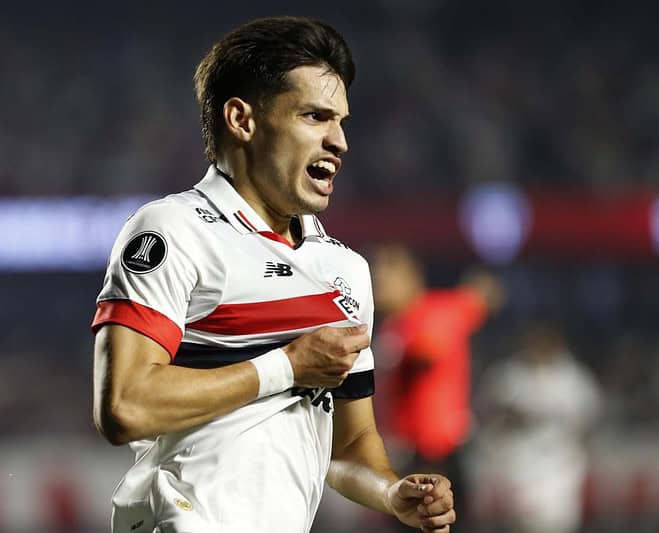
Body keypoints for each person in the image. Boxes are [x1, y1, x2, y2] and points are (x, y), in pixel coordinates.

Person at [91, 16, 455, 533]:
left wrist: (391, 492)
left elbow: (349, 445)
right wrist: (287, 365)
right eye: (315, 116)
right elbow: (124, 406)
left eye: (341, 122)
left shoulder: (345, 271)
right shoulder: (174, 230)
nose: (339, 141)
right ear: (242, 119)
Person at [370, 244, 504, 528]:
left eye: (388, 273)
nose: (379, 282)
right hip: (402, 455)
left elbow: (483, 294)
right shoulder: (393, 325)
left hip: (436, 457)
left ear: (412, 276)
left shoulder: (437, 312)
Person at [468, 321, 602, 533]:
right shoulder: (507, 376)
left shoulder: (574, 379)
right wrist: (509, 418)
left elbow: (589, 421)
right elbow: (484, 415)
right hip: (515, 465)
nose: (539, 346)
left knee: (555, 524)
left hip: (559, 468)